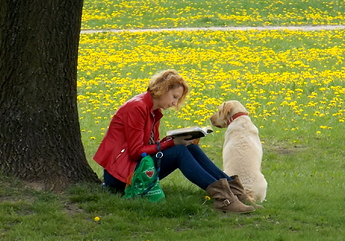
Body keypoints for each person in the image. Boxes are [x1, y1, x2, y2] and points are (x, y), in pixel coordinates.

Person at [93, 69, 254, 213]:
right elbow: (136, 153)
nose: (175, 103)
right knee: (179, 151)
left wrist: (180, 138)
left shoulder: (153, 111)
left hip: (138, 168)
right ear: (163, 89)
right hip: (121, 177)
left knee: (188, 147)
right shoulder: (137, 107)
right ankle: (224, 199)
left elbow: (151, 146)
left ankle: (234, 192)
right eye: (174, 97)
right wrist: (171, 143)